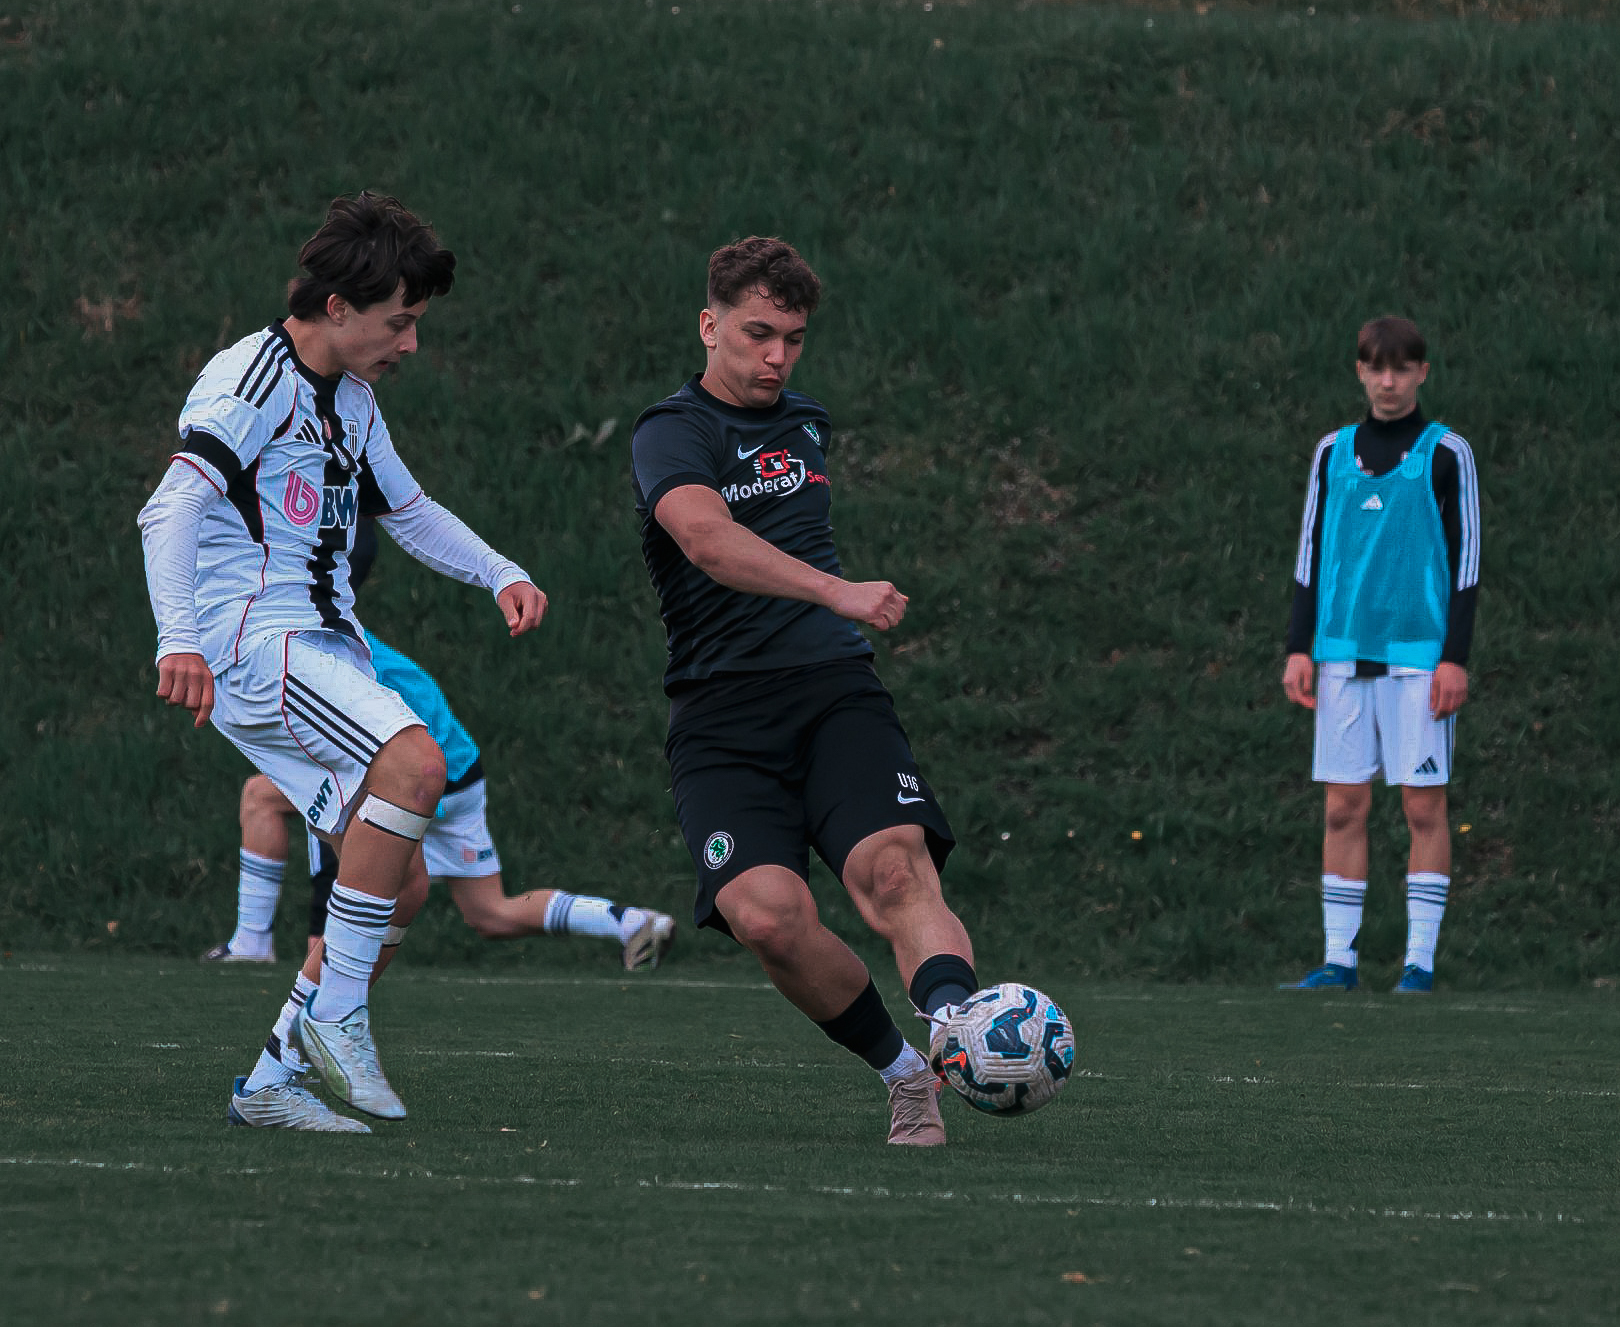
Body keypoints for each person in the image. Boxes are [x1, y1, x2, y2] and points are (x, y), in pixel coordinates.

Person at [139, 192, 546, 1134]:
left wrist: (499, 572)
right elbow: (170, 510)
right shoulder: (254, 376)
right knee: (415, 763)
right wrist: (180, 638)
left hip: (319, 643)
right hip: (254, 644)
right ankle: (339, 1018)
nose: (409, 344)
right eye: (399, 323)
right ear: (337, 308)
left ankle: (273, 1082)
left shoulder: (352, 400)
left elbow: (405, 510)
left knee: (398, 878)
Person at [629, 235, 987, 1147]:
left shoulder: (807, 422)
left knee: (894, 869)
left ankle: (964, 1040)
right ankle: (904, 1074)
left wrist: (832, 615)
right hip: (719, 714)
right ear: (709, 327)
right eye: (757, 334)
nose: (777, 356)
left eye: (793, 338)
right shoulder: (671, 432)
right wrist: (841, 590)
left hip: (832, 688)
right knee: (767, 916)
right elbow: (707, 541)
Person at [205, 534, 676, 973]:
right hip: (460, 772)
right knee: (489, 912)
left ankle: (256, 947)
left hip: (417, 775)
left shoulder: (324, 655)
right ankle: (630, 923)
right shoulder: (345, 638)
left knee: (280, 797)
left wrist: (316, 934)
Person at [1280, 316, 1482, 993]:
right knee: (1343, 807)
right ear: (1360, 371)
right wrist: (1297, 647)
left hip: (1418, 661)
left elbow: (1467, 564)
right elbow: (1310, 551)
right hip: (1339, 656)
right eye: (1377, 368)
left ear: (1422, 372)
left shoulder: (1447, 451)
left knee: (1423, 808)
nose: (1389, 381)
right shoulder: (1331, 451)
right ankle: (1340, 960)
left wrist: (1454, 657)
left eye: (1402, 368)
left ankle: (1419, 964)